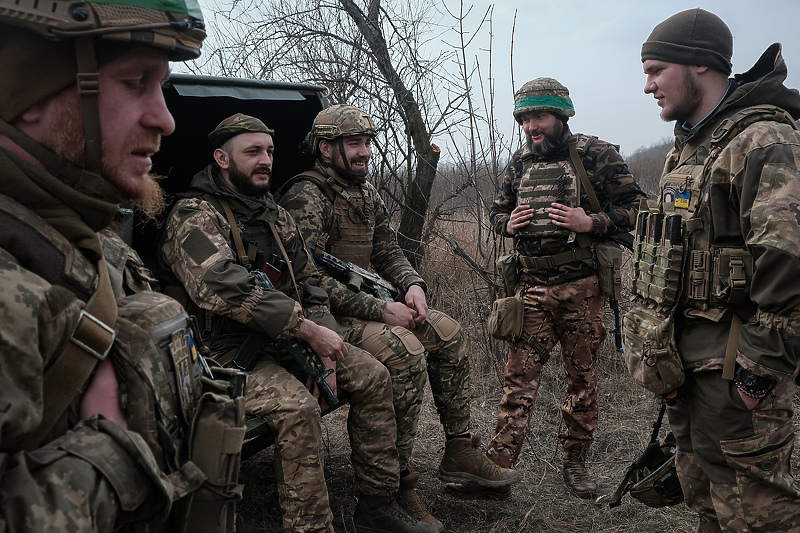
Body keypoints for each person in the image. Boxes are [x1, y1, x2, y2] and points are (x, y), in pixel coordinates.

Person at [0, 0, 247, 531]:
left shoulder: (91, 241)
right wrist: (111, 459)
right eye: (135, 83)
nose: (165, 118)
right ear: (27, 95)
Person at [159, 113, 438, 533]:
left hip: (284, 339)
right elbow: (221, 286)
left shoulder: (272, 213)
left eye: (269, 151)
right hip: (222, 354)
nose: (265, 160)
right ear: (221, 157)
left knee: (374, 376)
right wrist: (306, 330)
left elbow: (310, 281)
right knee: (298, 409)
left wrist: (324, 341)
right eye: (252, 151)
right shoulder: (192, 216)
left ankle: (377, 509)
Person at [278, 104, 518, 525]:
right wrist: (381, 310)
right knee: (403, 351)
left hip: (368, 306)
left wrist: (412, 286)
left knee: (448, 332)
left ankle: (459, 450)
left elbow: (388, 250)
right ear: (325, 148)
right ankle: (397, 483)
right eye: (354, 143)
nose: (366, 152)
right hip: (326, 318)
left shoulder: (364, 192)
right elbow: (305, 279)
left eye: (368, 143)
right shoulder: (305, 197)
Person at [638, 8, 800, 531]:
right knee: (707, 500)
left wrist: (759, 371)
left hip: (737, 370)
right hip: (689, 365)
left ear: (701, 65)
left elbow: (789, 262)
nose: (647, 86)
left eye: (656, 69)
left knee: (760, 515)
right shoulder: (691, 146)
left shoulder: (765, 140)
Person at [476, 78, 646, 500]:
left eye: (540, 116)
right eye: (525, 118)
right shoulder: (519, 163)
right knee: (517, 382)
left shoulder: (596, 154)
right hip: (531, 290)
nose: (532, 126)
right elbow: (498, 211)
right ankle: (497, 469)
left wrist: (593, 223)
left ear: (562, 115)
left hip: (582, 291)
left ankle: (574, 463)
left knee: (581, 381)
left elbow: (640, 210)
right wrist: (506, 224)